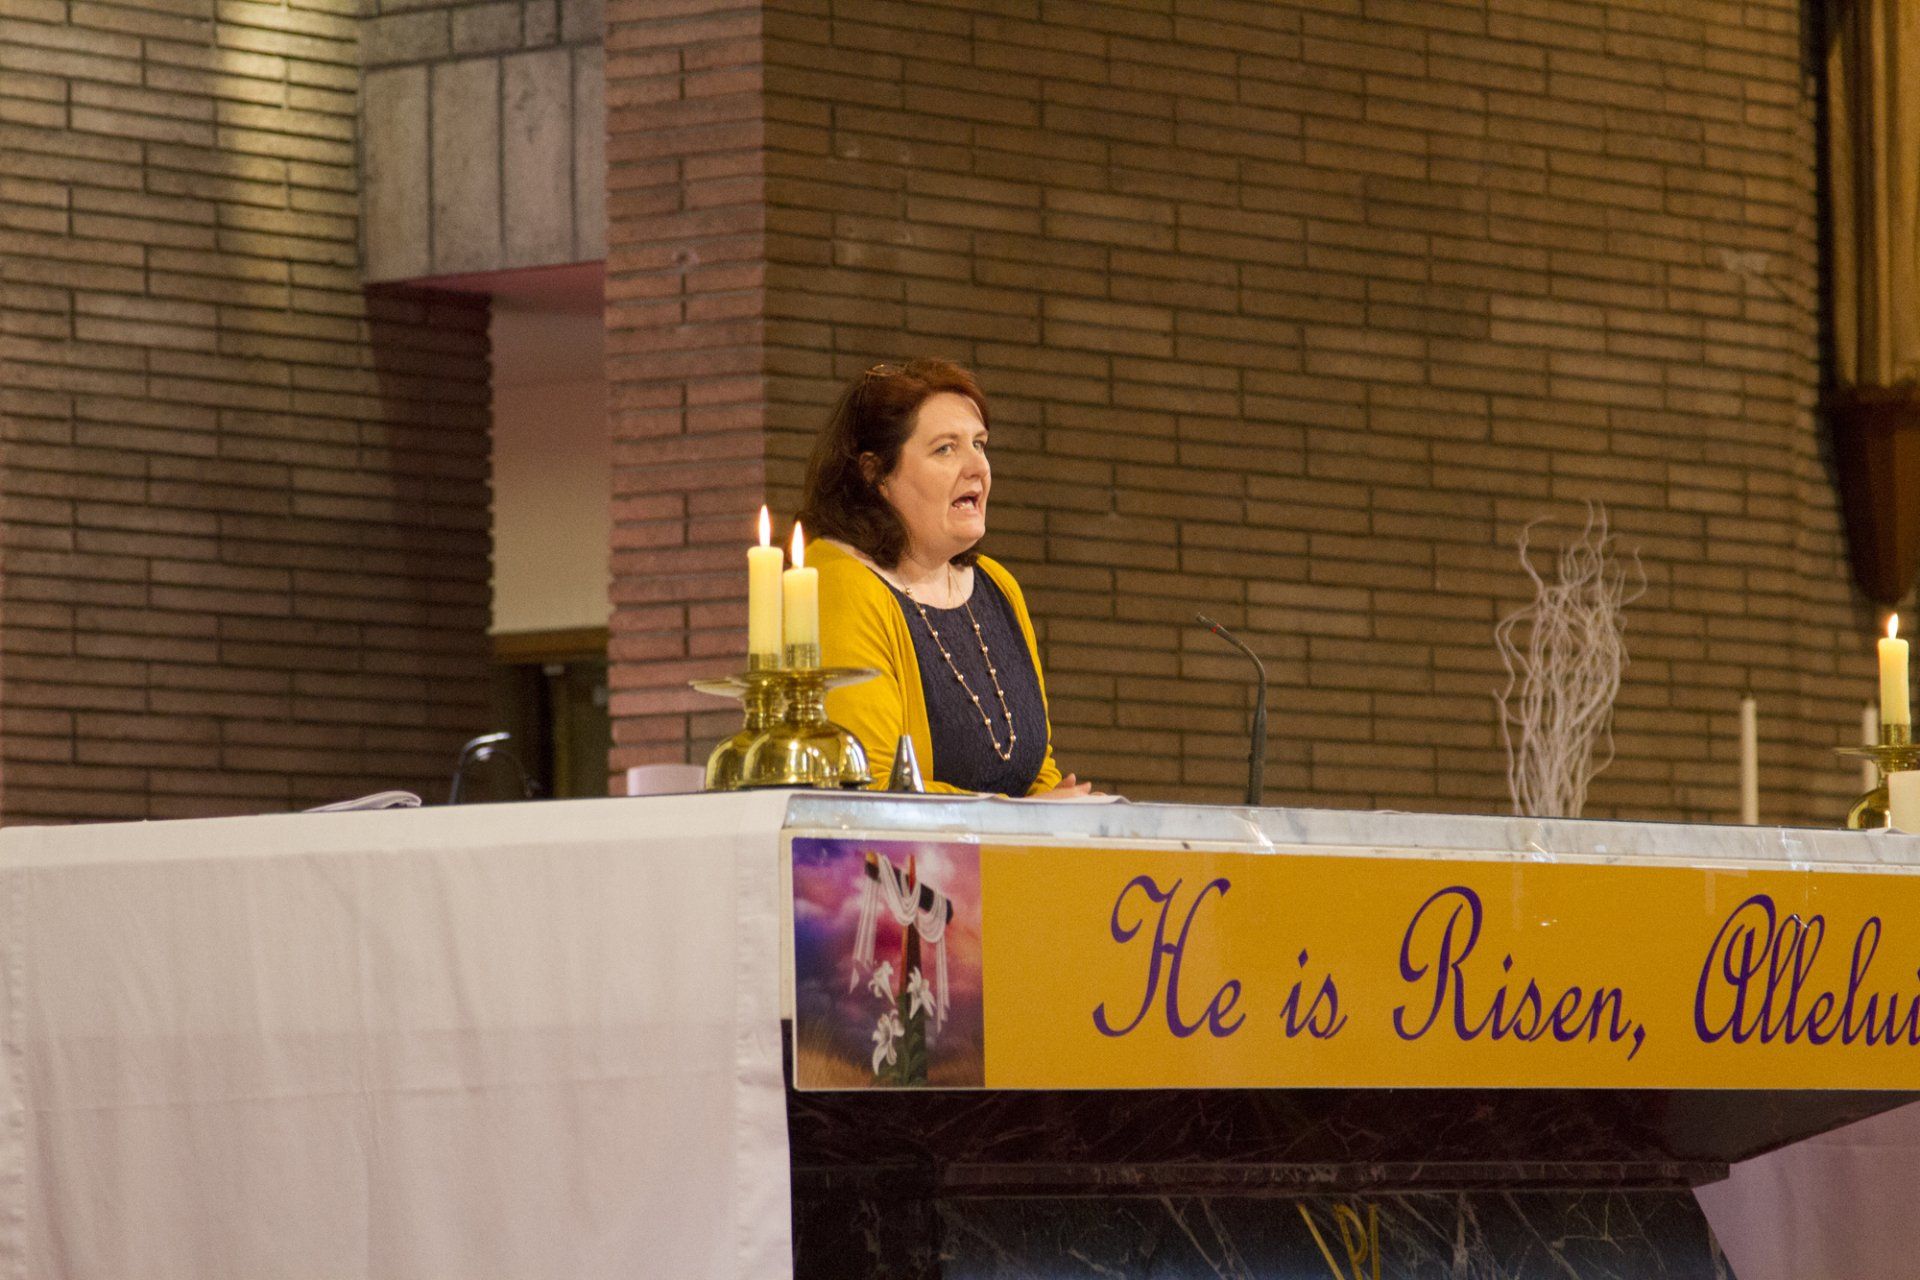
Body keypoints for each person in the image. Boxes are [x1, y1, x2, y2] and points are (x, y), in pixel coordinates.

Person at [799, 360, 1093, 798]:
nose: (977, 467)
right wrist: (1026, 818)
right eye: (946, 449)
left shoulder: (996, 586)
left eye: (979, 444)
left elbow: (1036, 772)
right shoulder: (841, 583)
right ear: (875, 473)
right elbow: (871, 786)